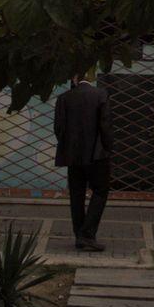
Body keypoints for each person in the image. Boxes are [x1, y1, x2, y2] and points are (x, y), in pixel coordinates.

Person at [54, 74, 113, 253]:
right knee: (100, 191)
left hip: (73, 155)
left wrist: (68, 146)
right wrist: (108, 148)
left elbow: (59, 128)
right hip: (96, 154)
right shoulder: (100, 95)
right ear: (90, 76)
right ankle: (87, 234)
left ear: (74, 78)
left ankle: (80, 235)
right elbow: (105, 125)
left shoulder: (64, 98)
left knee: (76, 194)